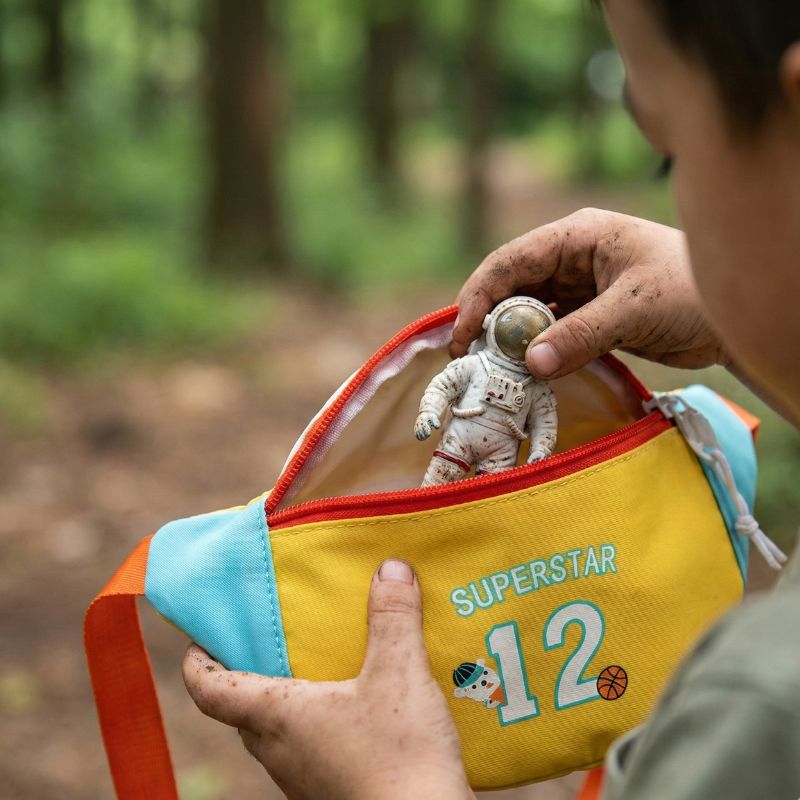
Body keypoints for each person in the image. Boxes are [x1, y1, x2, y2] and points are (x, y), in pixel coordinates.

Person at [181, 1, 800, 797]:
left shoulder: (759, 710)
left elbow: (538, 418)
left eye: (669, 155)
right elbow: (448, 386)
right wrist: (730, 319)